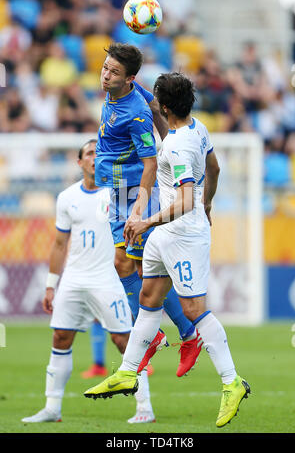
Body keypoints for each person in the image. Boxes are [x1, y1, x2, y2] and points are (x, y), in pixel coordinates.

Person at [84, 73, 251, 429]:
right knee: (147, 296)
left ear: (163, 105)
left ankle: (232, 381)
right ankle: (128, 372)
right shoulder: (198, 128)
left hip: (181, 235)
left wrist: (147, 222)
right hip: (166, 234)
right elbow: (215, 168)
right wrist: (209, 202)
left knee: (193, 309)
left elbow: (186, 200)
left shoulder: (176, 147)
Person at [21, 140, 155, 424]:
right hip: (73, 279)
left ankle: (145, 408)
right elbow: (59, 244)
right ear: (79, 162)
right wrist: (50, 283)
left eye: (99, 153)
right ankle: (52, 408)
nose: (95, 158)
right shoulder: (66, 197)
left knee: (123, 341)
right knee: (60, 337)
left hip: (107, 279)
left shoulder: (117, 195)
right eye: (90, 153)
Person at [91, 42, 202, 380]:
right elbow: (152, 101)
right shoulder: (122, 91)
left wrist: (140, 204)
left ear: (130, 79)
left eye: (113, 72)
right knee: (126, 265)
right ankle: (162, 334)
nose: (105, 75)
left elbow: (150, 161)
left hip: (135, 193)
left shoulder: (134, 113)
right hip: (117, 190)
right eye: (105, 68)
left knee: (145, 273)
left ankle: (187, 334)